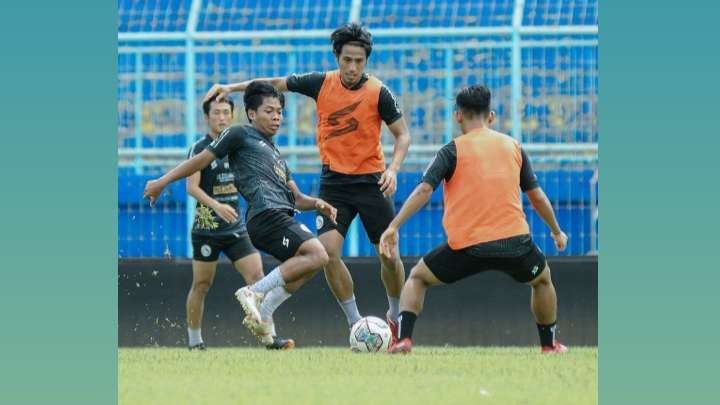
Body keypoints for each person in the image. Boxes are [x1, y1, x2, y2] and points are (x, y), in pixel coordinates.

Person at [203, 22, 411, 342]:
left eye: (359, 61)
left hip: (372, 182)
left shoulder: (379, 92)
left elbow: (402, 135)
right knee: (328, 253)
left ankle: (394, 314)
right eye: (347, 60)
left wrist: (394, 169)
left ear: (366, 61)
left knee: (388, 254)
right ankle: (356, 324)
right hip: (334, 185)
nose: (353, 67)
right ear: (337, 58)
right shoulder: (320, 82)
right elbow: (273, 83)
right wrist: (230, 88)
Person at [379, 85, 570, 354]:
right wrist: (556, 231)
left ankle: (404, 340)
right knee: (542, 280)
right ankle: (549, 345)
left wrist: (394, 226)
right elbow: (537, 197)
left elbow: (424, 190)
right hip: (515, 244)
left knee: (418, 278)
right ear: (490, 116)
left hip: (467, 247)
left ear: (458, 116)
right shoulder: (513, 146)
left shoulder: (450, 151)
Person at [144, 81, 337, 347]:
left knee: (306, 268)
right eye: (269, 111)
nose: (276, 116)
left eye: (279, 111)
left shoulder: (275, 153)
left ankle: (265, 321)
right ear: (251, 114)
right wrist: (162, 182)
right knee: (317, 254)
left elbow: (298, 198)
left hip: (270, 218)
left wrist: (317, 203)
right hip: (264, 216)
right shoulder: (239, 135)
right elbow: (199, 162)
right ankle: (248, 297)